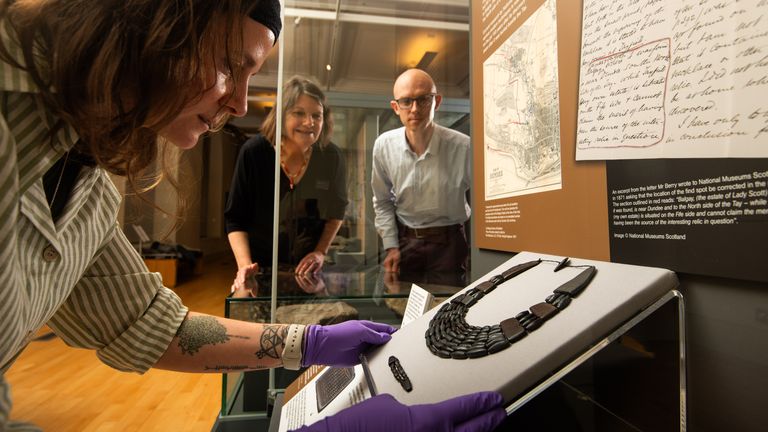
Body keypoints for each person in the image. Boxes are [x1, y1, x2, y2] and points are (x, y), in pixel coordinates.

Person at [0, 1, 505, 431]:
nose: (238, 100)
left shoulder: (86, 183)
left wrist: (308, 341)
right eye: (227, 64)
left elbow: (145, 321)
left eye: (251, 77)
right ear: (154, 24)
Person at [225, 76, 347, 293]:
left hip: (308, 273)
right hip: (258, 270)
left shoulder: (331, 156)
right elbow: (235, 219)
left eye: (316, 115)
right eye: (299, 113)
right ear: (281, 115)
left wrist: (320, 252)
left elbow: (337, 211)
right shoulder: (253, 152)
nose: (309, 122)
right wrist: (245, 267)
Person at [371, 68, 472, 282]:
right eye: (406, 101)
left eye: (423, 99)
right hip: (406, 243)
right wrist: (390, 246)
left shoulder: (463, 147)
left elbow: (484, 206)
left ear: (436, 101)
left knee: (451, 309)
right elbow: (382, 201)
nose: (415, 109)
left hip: (450, 245)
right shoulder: (384, 146)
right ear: (396, 107)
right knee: (405, 310)